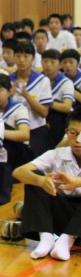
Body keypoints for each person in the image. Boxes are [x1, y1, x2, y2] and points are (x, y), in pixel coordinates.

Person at [13, 112, 81, 261]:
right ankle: (46, 237)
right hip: (63, 214)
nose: (78, 140)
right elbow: (18, 172)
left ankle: (66, 240)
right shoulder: (57, 154)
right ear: (66, 133)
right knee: (34, 177)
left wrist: (76, 182)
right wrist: (41, 180)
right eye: (73, 133)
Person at [10, 42, 53, 156]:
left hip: (36, 130)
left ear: (33, 58)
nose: (21, 60)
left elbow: (44, 112)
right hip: (13, 131)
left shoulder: (42, 80)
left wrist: (26, 96)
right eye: (18, 56)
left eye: (26, 56)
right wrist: (9, 95)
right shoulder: (8, 80)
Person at [42, 49, 75, 146]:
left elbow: (67, 107)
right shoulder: (37, 80)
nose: (48, 65)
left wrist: (46, 102)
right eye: (45, 61)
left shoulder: (66, 82)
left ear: (60, 65)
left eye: (52, 62)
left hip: (59, 121)